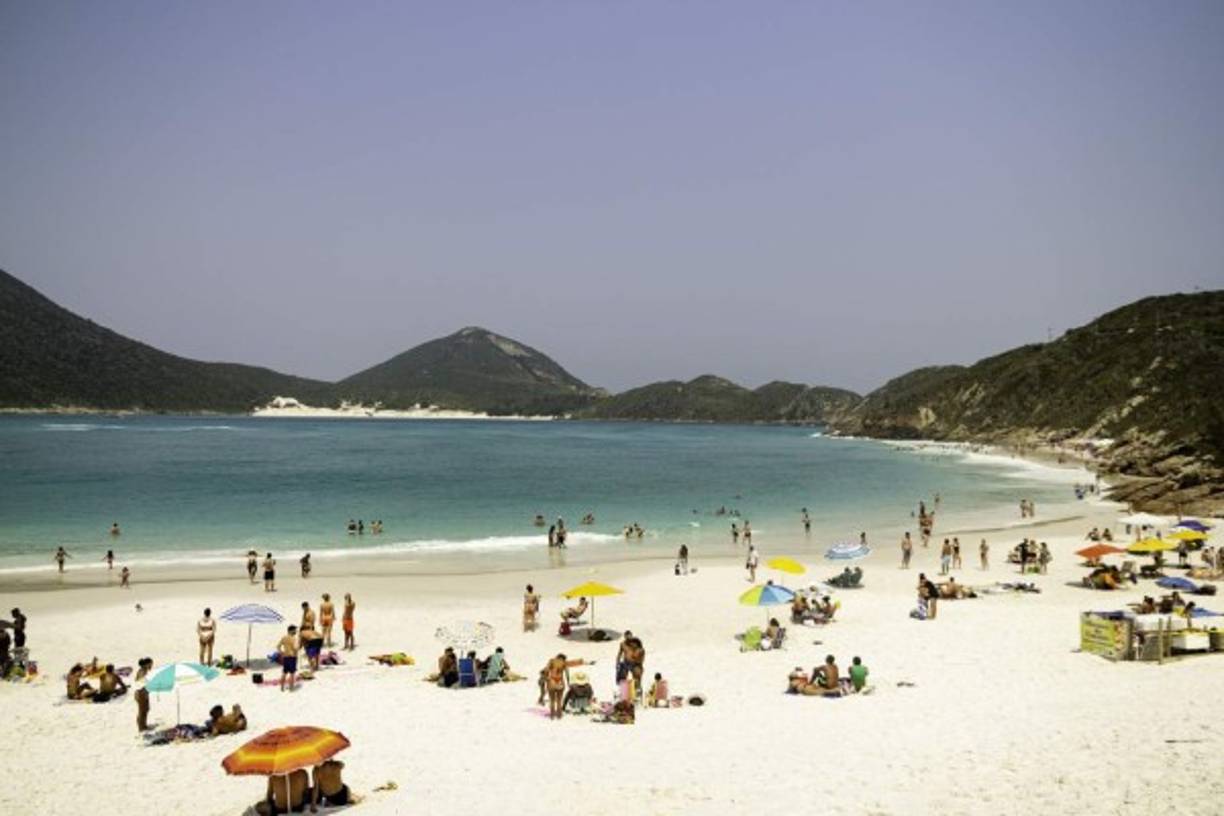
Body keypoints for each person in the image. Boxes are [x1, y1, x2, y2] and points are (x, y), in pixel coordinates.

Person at [543, 653, 587, 719]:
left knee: (552, 700)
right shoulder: (564, 663)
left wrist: (546, 677)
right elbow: (572, 663)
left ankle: (552, 715)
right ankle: (559, 715)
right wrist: (581, 661)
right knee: (559, 700)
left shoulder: (551, 661)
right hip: (560, 683)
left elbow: (545, 670)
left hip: (551, 683)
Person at [133, 657, 153, 731]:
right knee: (142, 711)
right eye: (151, 664)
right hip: (141, 694)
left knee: (145, 709)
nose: (151, 665)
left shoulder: (142, 671)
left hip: (141, 693)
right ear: (147, 664)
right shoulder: (143, 672)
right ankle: (141, 727)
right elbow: (141, 684)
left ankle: (143, 725)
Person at [278, 625, 300, 691]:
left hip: (285, 657)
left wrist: (282, 652)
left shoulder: (284, 637)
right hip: (292, 657)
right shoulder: (293, 638)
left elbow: (278, 646)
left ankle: (282, 688)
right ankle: (291, 688)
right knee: (292, 673)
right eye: (295, 630)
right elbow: (295, 648)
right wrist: (299, 647)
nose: (296, 631)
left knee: (284, 672)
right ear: (291, 631)